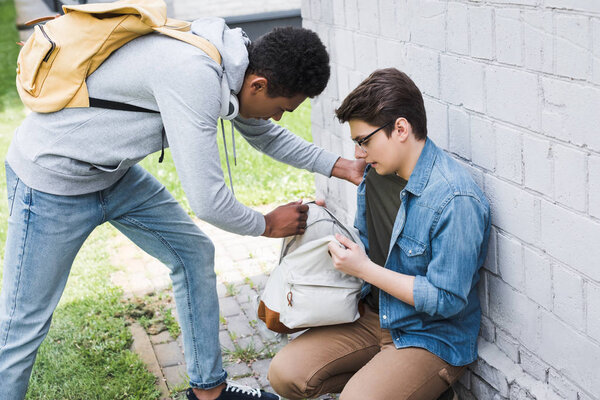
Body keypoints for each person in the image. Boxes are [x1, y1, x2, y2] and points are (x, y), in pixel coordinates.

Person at [0, 18, 364, 400]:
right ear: (259, 85)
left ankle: (209, 391)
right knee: (23, 322)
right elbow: (208, 200)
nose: (277, 117)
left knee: (192, 253)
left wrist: (343, 167)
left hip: (112, 176)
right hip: (52, 181)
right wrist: (265, 224)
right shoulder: (196, 75)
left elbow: (263, 134)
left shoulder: (233, 65)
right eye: (281, 108)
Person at [268, 68, 491, 400]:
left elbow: (446, 300)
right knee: (284, 374)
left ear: (400, 128)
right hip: (374, 315)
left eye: (364, 141)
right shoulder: (374, 177)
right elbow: (367, 248)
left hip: (429, 335)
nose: (358, 154)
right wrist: (320, 223)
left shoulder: (455, 199)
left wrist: (363, 268)